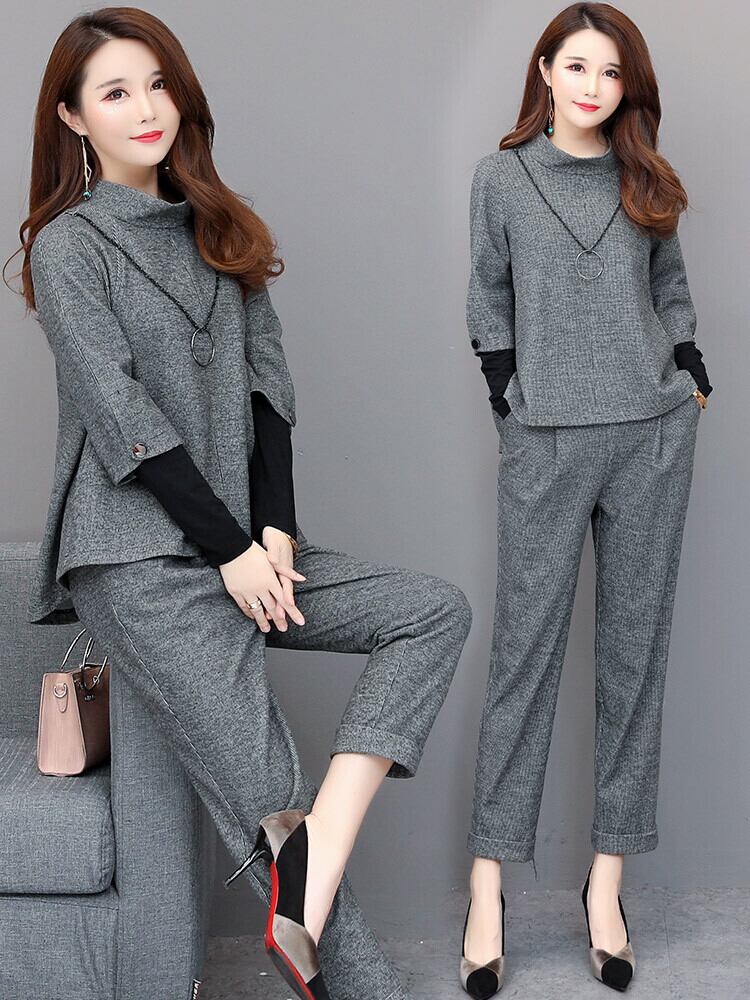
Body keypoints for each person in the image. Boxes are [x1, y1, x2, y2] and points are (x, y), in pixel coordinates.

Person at [15, 9, 473, 1000]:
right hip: (138, 561)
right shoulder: (70, 247)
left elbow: (269, 390)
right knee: (265, 793)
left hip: (247, 545)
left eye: (158, 84)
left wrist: (272, 529)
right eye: (115, 91)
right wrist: (229, 549)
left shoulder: (222, 225)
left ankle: (314, 857)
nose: (147, 107)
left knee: (430, 611)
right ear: (73, 117)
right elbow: (122, 415)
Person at [459, 4, 713, 996]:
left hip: (652, 434)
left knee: (633, 658)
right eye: (577, 67)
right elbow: (487, 296)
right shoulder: (502, 178)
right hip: (548, 438)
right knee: (523, 658)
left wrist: (688, 370)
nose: (594, 87)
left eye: (612, 72)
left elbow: (671, 286)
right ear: (545, 70)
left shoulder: (645, 176)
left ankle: (606, 886)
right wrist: (509, 397)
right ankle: (487, 890)